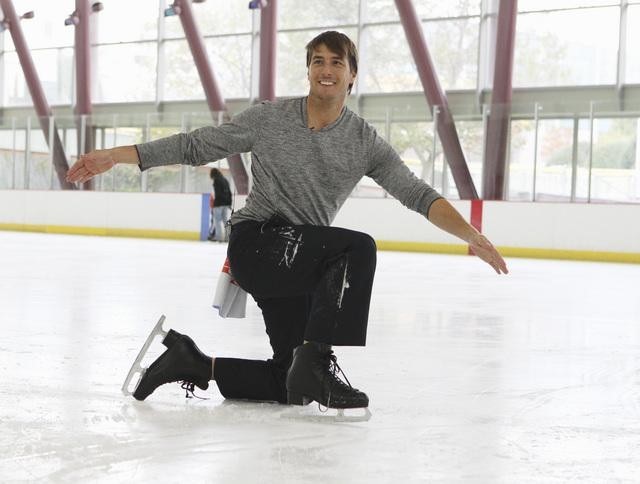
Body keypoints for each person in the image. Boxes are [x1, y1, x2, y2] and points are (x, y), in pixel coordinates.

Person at [66, 31, 508, 414]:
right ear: (309, 71)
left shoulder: (365, 143)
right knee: (357, 248)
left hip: (299, 264)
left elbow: (418, 194)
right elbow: (195, 145)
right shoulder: (270, 118)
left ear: (352, 75)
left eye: (338, 62)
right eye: (318, 61)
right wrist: (117, 155)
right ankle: (316, 360)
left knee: (291, 386)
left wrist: (472, 235)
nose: (327, 69)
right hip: (257, 244)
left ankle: (192, 362)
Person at [208, 167, 232, 242]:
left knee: (217, 221)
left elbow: (217, 193)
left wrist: (215, 202)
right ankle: (227, 237)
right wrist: (229, 203)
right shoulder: (225, 180)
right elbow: (229, 193)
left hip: (218, 203)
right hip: (226, 204)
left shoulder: (216, 180)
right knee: (225, 220)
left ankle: (219, 237)